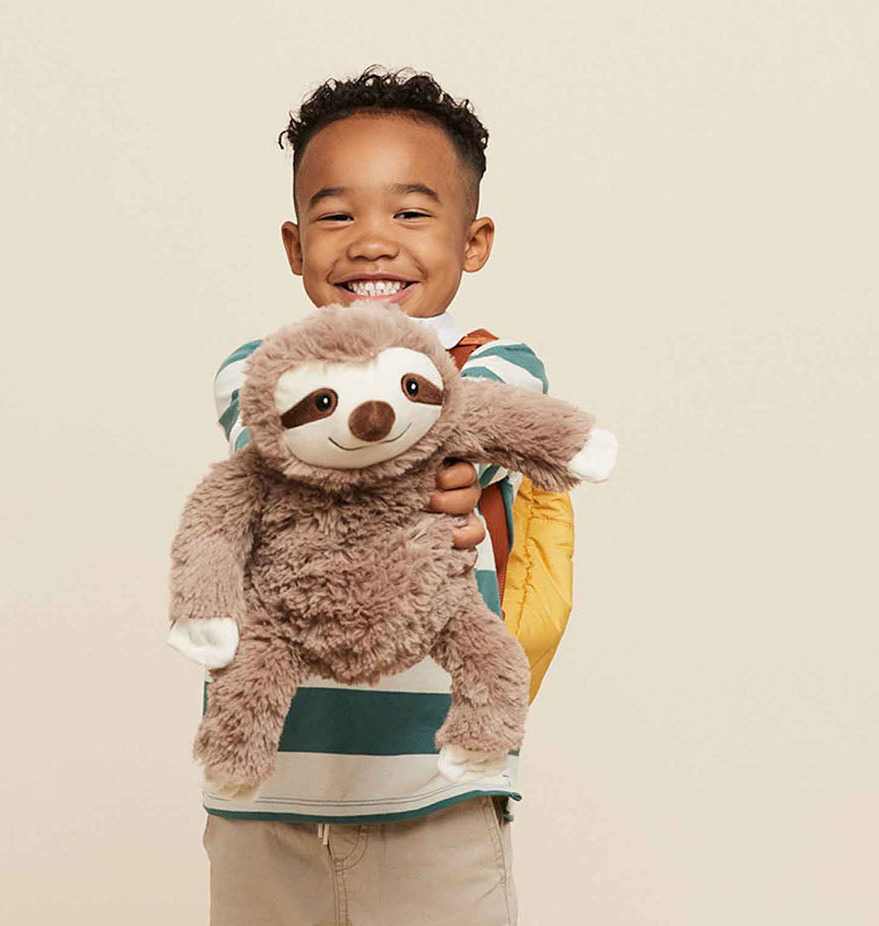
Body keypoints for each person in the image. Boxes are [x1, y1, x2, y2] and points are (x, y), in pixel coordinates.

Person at [169, 66, 578, 926]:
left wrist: (461, 471)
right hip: (266, 786)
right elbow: (277, 450)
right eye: (337, 216)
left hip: (436, 788)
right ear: (295, 247)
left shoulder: (494, 367)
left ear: (474, 241)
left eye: (411, 213)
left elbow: (477, 431)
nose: (371, 242)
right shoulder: (258, 373)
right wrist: (428, 474)